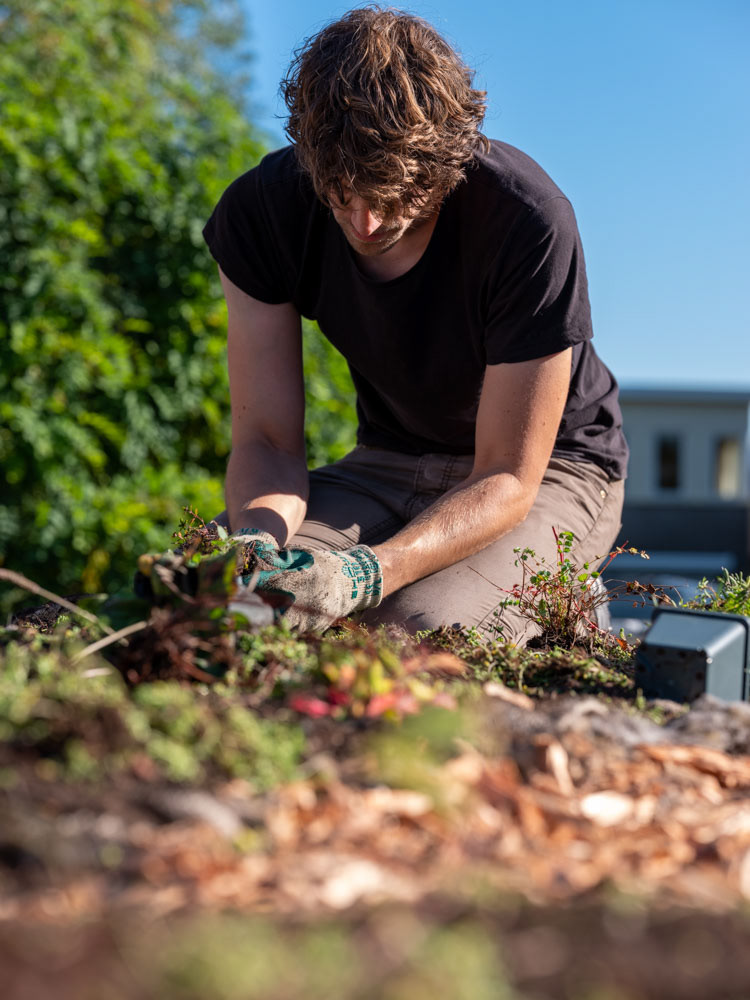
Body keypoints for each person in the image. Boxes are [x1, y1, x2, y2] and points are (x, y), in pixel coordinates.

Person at [201, 6, 628, 644]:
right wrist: (256, 548)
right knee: (236, 606)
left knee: (405, 633)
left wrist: (364, 576)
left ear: (448, 162)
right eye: (341, 195)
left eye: (394, 199)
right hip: (388, 460)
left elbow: (507, 476)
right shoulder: (262, 213)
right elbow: (268, 442)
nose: (366, 224)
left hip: (548, 469)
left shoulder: (528, 221)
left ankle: (564, 601)